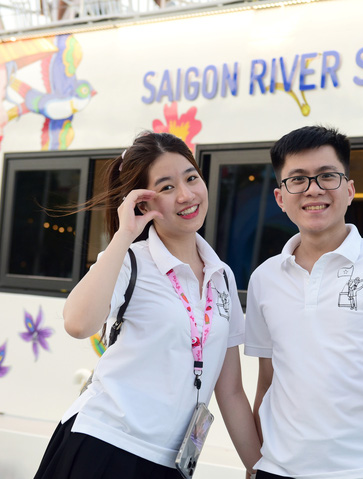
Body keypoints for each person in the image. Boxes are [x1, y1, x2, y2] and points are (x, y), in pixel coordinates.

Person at [34, 132, 261, 478]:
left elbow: (229, 391)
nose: (186, 195)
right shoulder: (129, 261)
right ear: (144, 202)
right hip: (104, 447)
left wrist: (257, 467)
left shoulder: (223, 276)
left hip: (170, 464)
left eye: (191, 178)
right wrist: (124, 234)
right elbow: (78, 324)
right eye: (167, 187)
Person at [245, 126, 363, 479]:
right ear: (280, 198)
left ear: (349, 190)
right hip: (279, 471)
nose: (314, 189)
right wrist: (257, 462)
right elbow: (267, 382)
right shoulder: (264, 277)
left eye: (327, 176)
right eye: (298, 180)